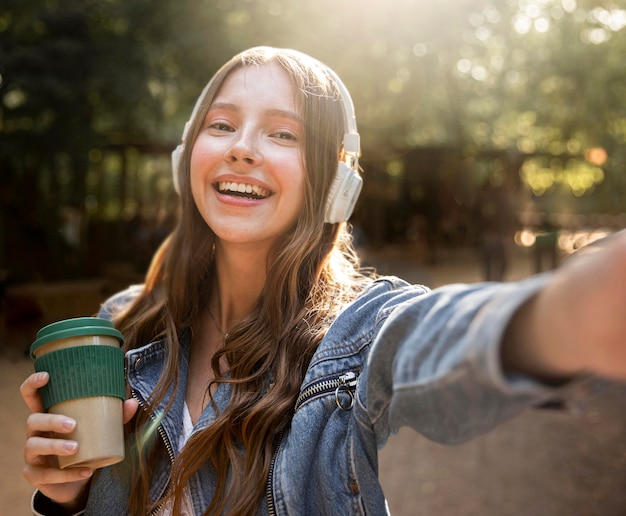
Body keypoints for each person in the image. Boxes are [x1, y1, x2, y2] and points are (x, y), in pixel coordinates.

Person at [20, 46, 626, 515]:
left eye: (284, 134)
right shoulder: (119, 323)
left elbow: (439, 337)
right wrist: (67, 495)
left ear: (334, 184)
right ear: (188, 160)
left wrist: (563, 314)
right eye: (222, 125)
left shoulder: (355, 334)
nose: (243, 149)